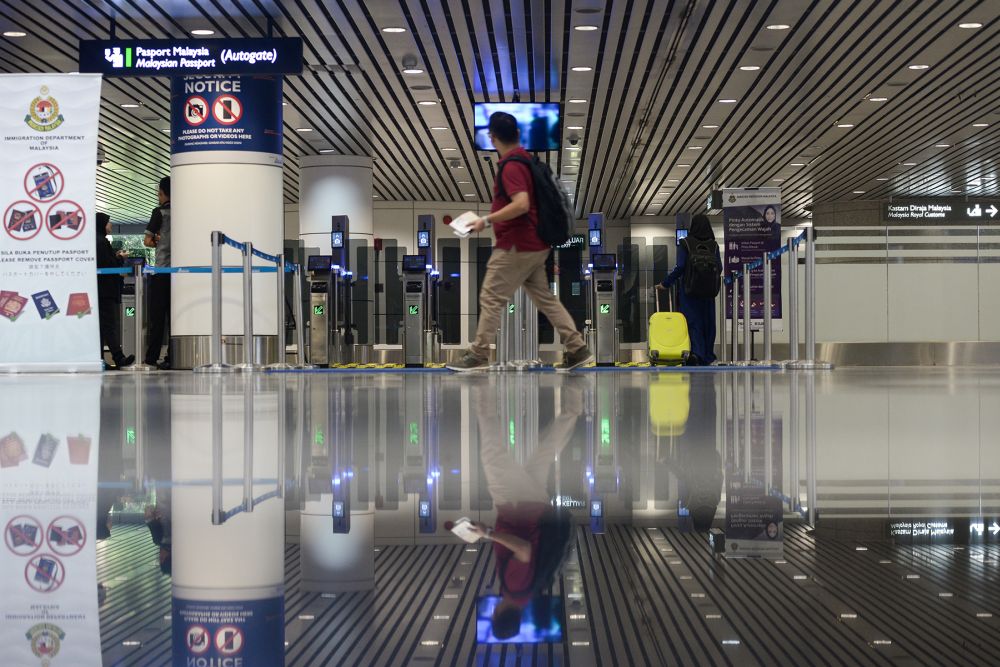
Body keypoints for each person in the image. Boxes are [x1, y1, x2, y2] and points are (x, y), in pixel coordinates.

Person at [447, 111, 591, 371]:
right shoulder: (527, 160)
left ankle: (478, 353)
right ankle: (577, 347)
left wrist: (485, 221)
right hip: (535, 244)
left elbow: (521, 204)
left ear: (492, 137)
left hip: (516, 243)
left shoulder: (512, 165)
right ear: (517, 134)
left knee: (490, 296)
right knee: (546, 299)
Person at [462, 376, 583, 639]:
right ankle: (482, 383)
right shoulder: (515, 589)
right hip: (516, 505)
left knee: (545, 450)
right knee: (491, 451)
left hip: (531, 506)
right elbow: (524, 550)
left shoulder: (526, 593)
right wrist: (487, 534)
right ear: (497, 614)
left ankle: (574, 399)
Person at [657, 214, 722, 365]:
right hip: (708, 292)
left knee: (693, 322)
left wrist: (665, 283)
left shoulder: (685, 243)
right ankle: (708, 355)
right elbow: (719, 267)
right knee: (708, 322)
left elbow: (680, 267)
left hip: (689, 291)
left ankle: (696, 353)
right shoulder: (714, 245)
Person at [95, 212, 134, 370]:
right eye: (108, 222)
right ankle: (119, 358)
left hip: (100, 289)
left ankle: (100, 360)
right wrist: (120, 258)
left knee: (102, 327)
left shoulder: (97, 241)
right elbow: (108, 265)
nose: (110, 225)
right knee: (109, 325)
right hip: (105, 290)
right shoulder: (101, 242)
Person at [143, 176, 171, 370]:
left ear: (162, 193)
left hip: (162, 270)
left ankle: (152, 358)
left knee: (157, 316)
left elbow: (147, 241)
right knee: (175, 317)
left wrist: (157, 241)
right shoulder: (187, 210)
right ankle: (173, 355)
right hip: (181, 273)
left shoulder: (159, 212)